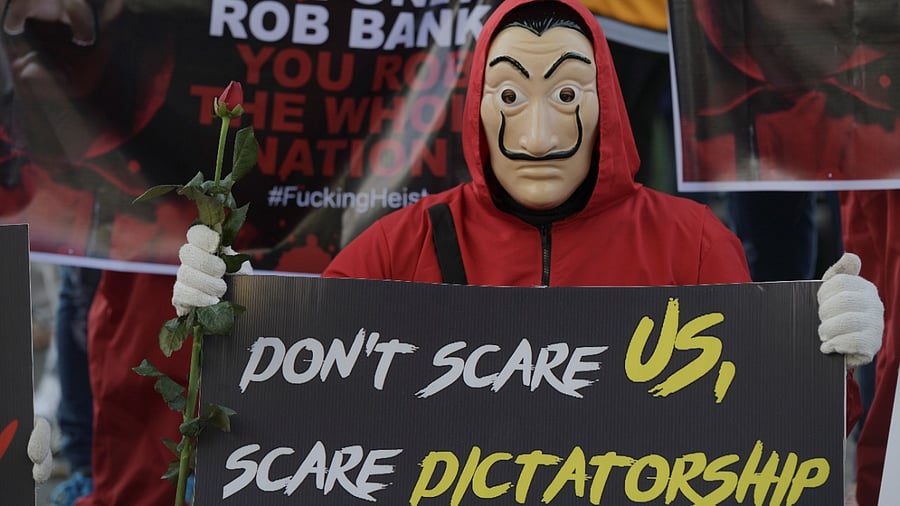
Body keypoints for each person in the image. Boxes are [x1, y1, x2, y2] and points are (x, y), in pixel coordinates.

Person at [175, 0, 882, 460]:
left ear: (607, 101)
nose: (539, 133)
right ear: (475, 106)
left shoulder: (691, 243)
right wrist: (226, 328)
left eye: (568, 93)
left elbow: (768, 439)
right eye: (510, 95)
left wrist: (827, 366)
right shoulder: (399, 246)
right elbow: (288, 420)